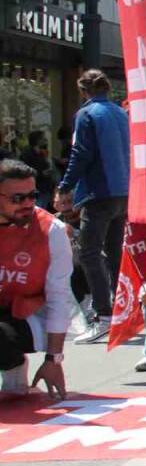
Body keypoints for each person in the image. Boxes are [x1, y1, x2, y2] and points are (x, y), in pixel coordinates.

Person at [58, 70, 129, 344]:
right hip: (122, 190)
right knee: (113, 253)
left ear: (83, 90)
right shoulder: (119, 113)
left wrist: (65, 184)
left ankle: (104, 314)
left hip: (99, 192)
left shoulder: (86, 115)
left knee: (89, 252)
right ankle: (122, 308)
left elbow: (81, 154)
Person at [0, 160, 73, 400]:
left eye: (32, 196)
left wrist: (54, 359)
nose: (27, 204)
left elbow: (58, 298)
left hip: (28, 314)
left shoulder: (52, 232)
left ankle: (13, 368)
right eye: (17, 198)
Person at [20, 131, 54, 209]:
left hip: (45, 189)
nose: (45, 140)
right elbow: (25, 171)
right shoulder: (27, 154)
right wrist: (41, 173)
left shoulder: (42, 153)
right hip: (36, 189)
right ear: (38, 140)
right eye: (43, 138)